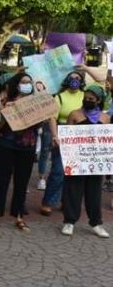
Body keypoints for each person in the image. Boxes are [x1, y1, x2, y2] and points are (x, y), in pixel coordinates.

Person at [0, 73, 56, 232]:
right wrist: (2, 113)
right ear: (17, 85)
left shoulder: (37, 102)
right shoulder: (7, 100)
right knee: (2, 180)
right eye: (23, 82)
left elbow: (50, 115)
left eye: (29, 82)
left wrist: (54, 135)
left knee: (22, 181)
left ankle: (19, 216)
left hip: (27, 146)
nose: (27, 85)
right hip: (6, 143)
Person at [41, 67, 106, 215]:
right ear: (66, 80)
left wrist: (85, 68)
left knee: (74, 172)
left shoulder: (86, 95)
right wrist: (55, 136)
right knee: (58, 170)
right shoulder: (60, 96)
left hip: (84, 135)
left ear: (82, 81)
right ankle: (48, 202)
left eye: (78, 78)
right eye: (72, 77)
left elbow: (101, 80)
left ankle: (67, 202)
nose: (74, 80)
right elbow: (52, 117)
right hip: (64, 132)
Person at [60, 85, 110, 238]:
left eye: (91, 99)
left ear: (98, 100)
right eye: (85, 98)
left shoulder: (105, 118)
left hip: (95, 161)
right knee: (73, 191)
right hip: (77, 159)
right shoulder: (74, 114)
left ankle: (96, 223)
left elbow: (107, 141)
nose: (87, 101)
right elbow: (67, 137)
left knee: (94, 193)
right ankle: (69, 221)